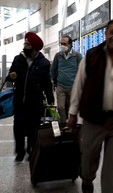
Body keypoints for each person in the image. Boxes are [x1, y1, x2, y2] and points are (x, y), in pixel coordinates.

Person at [67, 19, 113, 193]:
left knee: (112, 169)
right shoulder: (92, 56)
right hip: (93, 120)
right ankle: (86, 179)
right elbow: (79, 85)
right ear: (106, 35)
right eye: (112, 32)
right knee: (87, 162)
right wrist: (72, 113)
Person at [7, 32, 54, 162]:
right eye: (25, 43)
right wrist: (10, 76)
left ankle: (31, 149)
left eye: (27, 44)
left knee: (34, 127)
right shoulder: (18, 59)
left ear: (34, 47)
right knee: (19, 126)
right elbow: (10, 75)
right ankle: (20, 151)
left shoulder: (44, 63)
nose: (24, 45)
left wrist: (50, 98)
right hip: (19, 99)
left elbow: (46, 83)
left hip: (35, 101)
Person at [50, 35, 82, 123]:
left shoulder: (77, 56)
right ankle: (63, 125)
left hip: (73, 87)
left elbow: (82, 70)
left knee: (72, 109)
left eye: (64, 44)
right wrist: (52, 81)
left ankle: (72, 126)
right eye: (61, 44)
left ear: (70, 45)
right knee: (60, 107)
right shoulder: (58, 56)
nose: (62, 46)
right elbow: (53, 70)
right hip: (61, 86)